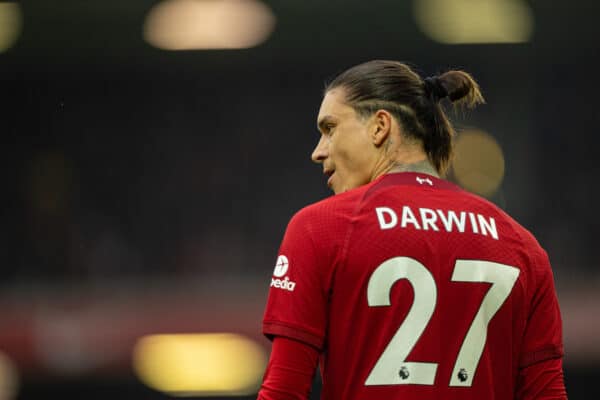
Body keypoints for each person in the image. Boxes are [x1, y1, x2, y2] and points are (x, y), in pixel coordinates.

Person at [257, 60, 567, 399]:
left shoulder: (320, 228)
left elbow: (284, 391)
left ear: (380, 127)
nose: (318, 152)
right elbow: (547, 393)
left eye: (329, 128)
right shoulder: (522, 246)